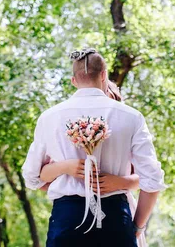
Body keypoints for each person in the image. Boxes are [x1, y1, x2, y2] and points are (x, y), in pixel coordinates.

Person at [22, 48, 165, 246]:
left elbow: (31, 177)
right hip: (116, 219)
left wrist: (62, 177)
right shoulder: (132, 116)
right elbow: (153, 180)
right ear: (104, 75)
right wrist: (137, 226)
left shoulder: (49, 118)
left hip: (66, 221)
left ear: (74, 81)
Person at [39, 80, 147, 247]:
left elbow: (143, 177)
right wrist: (67, 178)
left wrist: (119, 182)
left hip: (117, 209)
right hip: (72, 214)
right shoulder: (68, 141)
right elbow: (42, 178)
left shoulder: (124, 133)